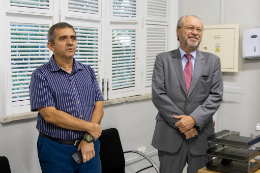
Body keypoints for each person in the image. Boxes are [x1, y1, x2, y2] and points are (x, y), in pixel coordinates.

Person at [151, 15, 223, 173]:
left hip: (201, 135)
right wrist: (184, 124)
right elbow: (158, 94)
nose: (195, 32)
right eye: (190, 28)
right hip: (170, 135)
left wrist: (194, 120)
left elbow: (216, 95)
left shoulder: (213, 61)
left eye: (199, 29)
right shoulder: (163, 59)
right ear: (178, 31)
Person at [29, 22, 104, 173]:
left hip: (89, 145)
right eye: (63, 38)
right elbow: (51, 115)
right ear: (51, 46)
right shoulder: (41, 75)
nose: (70, 42)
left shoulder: (87, 71)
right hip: (56, 149)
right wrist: (91, 128)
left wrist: (88, 138)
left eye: (73, 38)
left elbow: (98, 105)